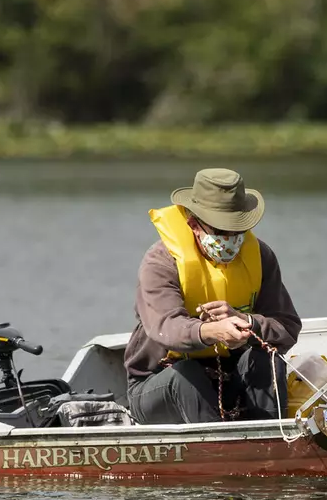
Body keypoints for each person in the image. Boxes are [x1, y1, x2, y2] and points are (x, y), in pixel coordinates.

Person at [124, 168, 301, 424]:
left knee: (265, 360)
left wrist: (248, 322)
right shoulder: (160, 262)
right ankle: (218, 453)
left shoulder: (261, 256)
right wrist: (213, 331)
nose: (231, 239)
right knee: (185, 375)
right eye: (221, 231)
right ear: (193, 224)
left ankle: (271, 444)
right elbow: (166, 328)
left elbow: (288, 328)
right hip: (160, 383)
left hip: (231, 382)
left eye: (238, 231)